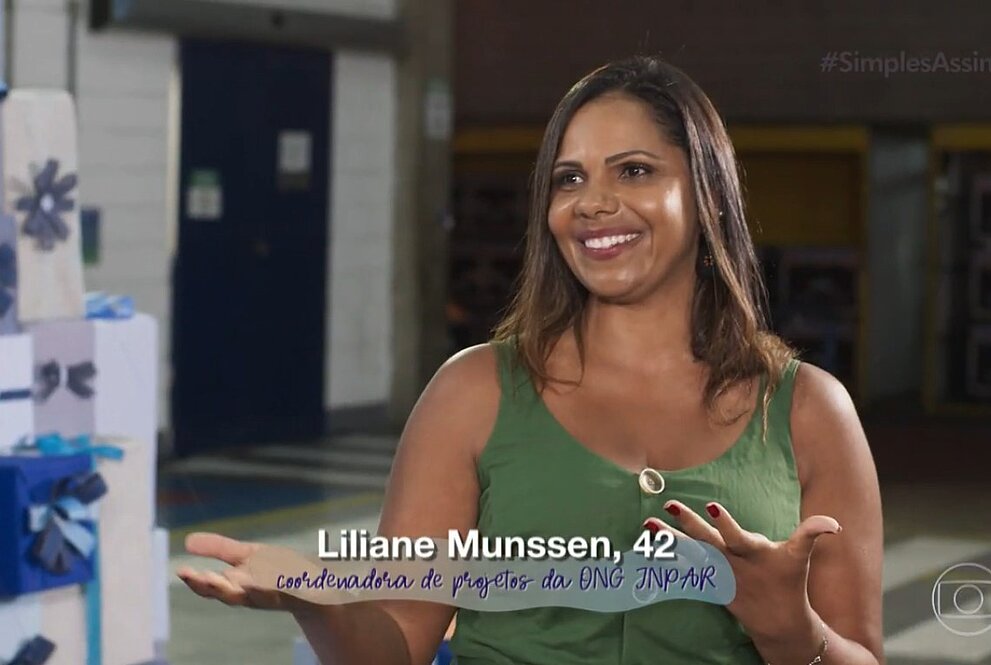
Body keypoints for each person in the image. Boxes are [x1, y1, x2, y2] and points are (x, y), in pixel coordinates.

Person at [178, 56, 884, 665]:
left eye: (634, 170)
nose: (593, 203)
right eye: (568, 179)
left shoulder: (808, 411)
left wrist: (793, 632)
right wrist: (316, 600)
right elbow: (396, 641)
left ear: (707, 197)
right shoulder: (473, 392)